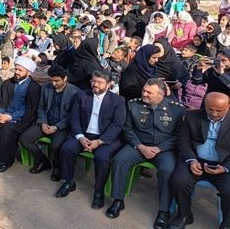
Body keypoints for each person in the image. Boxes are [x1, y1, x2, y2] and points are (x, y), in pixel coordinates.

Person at [106, 79, 186, 229]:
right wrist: (139, 146)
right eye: (144, 90)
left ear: (161, 94)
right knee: (119, 160)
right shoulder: (133, 104)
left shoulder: (177, 109)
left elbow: (179, 135)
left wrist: (160, 148)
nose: (144, 93)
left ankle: (164, 211)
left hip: (164, 150)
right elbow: (127, 129)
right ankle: (118, 200)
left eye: (149, 92)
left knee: (167, 170)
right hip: (138, 145)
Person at [55, 70, 126, 210]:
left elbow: (118, 124)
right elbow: (74, 118)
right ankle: (69, 181)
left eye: (100, 82)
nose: (95, 84)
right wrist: (80, 137)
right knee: (66, 148)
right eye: (93, 81)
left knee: (102, 157)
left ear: (109, 84)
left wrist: (99, 141)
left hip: (104, 138)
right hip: (84, 134)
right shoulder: (82, 95)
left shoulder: (118, 100)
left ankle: (98, 191)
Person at [169, 92, 230, 229]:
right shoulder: (192, 116)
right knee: (179, 181)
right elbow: (183, 141)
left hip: (223, 165)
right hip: (196, 160)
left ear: (228, 107)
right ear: (204, 105)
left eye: (219, 110)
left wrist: (225, 168)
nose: (213, 113)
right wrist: (191, 160)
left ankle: (226, 224)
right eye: (210, 109)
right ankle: (184, 215)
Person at [0, 56, 41, 173]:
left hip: (23, 118)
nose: (17, 72)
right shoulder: (8, 83)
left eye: (20, 70)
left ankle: (4, 161)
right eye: (16, 69)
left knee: (6, 132)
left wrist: (10, 117)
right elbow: (0, 100)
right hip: (4, 114)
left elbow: (29, 108)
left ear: (28, 72)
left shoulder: (34, 87)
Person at [19, 65, 80, 181]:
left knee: (56, 146)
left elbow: (73, 115)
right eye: (51, 80)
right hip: (45, 122)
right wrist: (43, 122)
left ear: (65, 78)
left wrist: (57, 127)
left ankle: (57, 167)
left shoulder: (75, 92)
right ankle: (43, 161)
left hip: (61, 126)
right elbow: (41, 107)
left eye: (56, 81)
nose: (53, 83)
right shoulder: (46, 88)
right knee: (24, 138)